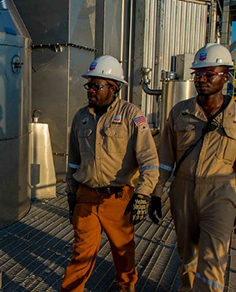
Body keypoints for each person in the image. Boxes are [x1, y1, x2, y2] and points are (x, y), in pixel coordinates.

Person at [149, 43, 236, 292]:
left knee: (214, 260)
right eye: (198, 74)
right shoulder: (180, 112)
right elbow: (165, 157)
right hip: (182, 192)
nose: (202, 80)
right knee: (188, 255)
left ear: (226, 76)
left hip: (220, 193)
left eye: (210, 74)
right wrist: (156, 192)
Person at [60, 55, 160, 292]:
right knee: (81, 253)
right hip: (86, 197)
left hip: (119, 199)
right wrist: (71, 193)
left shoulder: (131, 116)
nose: (90, 90)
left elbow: (149, 160)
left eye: (97, 85)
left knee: (123, 252)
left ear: (113, 88)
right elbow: (74, 161)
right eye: (89, 85)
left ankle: (125, 288)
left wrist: (143, 195)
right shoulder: (81, 117)